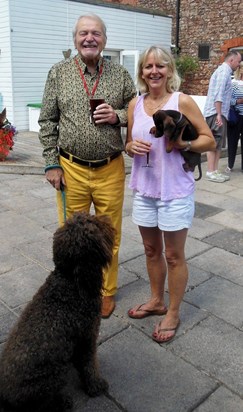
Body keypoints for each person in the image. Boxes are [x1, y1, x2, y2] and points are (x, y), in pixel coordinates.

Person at [39, 14, 137, 319]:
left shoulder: (120, 75)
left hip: (110, 168)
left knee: (110, 234)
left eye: (96, 33)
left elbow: (138, 111)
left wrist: (118, 116)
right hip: (72, 170)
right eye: (84, 33)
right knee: (72, 237)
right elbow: (47, 120)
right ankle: (76, 287)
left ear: (104, 40)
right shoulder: (58, 73)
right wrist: (51, 164)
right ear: (75, 38)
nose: (89, 38)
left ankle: (106, 292)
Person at [125, 46, 215, 343]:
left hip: (174, 190)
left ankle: (173, 311)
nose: (154, 71)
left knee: (174, 255)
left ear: (169, 71)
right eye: (148, 66)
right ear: (142, 72)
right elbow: (128, 143)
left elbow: (209, 141)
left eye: (160, 66)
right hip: (145, 188)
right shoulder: (134, 105)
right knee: (151, 251)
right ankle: (156, 301)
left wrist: (182, 145)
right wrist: (129, 148)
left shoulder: (182, 101)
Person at [204, 50, 242, 183]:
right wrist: (219, 114)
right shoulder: (224, 72)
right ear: (231, 60)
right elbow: (218, 94)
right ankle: (210, 171)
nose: (239, 65)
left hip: (219, 113)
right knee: (213, 142)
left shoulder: (225, 72)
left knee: (218, 144)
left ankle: (214, 171)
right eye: (238, 62)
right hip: (216, 113)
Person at [226, 61, 243, 173]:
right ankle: (230, 165)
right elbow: (227, 100)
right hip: (236, 116)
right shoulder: (233, 83)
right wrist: (238, 101)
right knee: (232, 141)